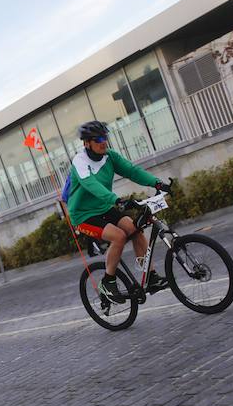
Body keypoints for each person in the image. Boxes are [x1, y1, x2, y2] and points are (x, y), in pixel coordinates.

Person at [67, 120, 172, 302]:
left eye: (105, 137)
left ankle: (151, 277)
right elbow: (91, 185)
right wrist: (116, 200)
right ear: (86, 143)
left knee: (136, 230)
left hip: (104, 208)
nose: (103, 142)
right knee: (119, 236)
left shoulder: (110, 156)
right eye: (98, 139)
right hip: (83, 215)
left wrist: (157, 182)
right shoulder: (80, 162)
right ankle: (108, 282)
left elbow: (131, 171)